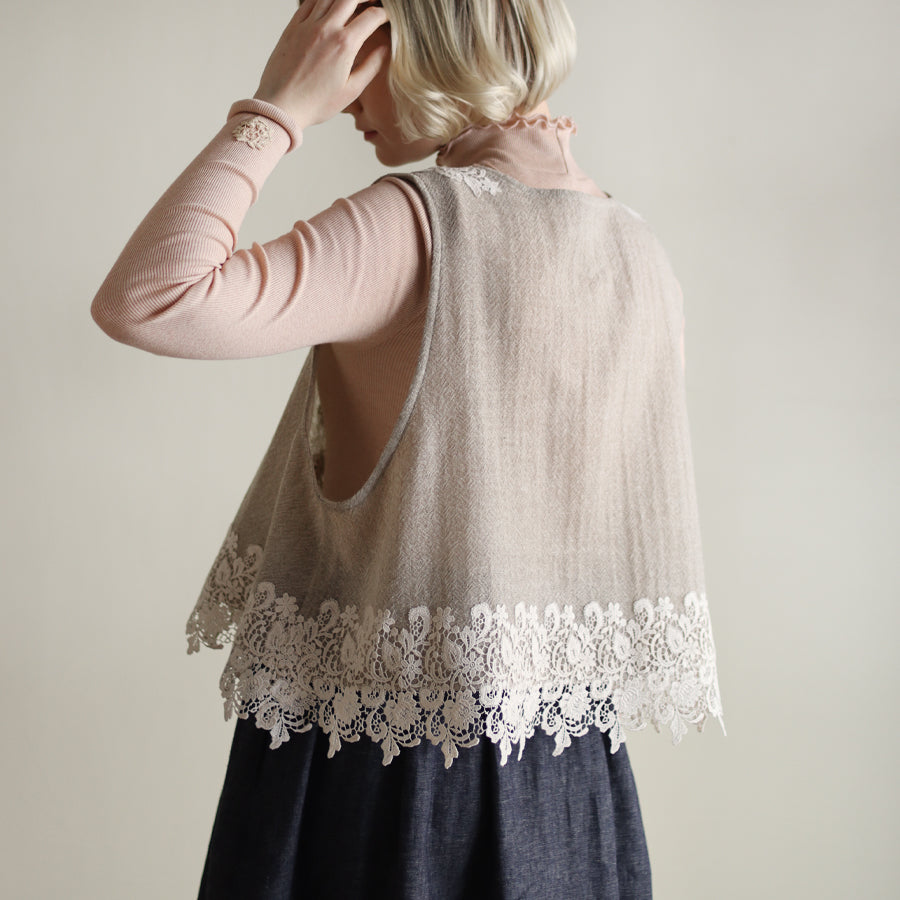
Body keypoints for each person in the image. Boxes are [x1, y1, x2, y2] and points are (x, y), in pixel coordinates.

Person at [92, 1, 724, 897]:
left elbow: (149, 297)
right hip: (573, 780)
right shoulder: (640, 253)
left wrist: (277, 110)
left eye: (354, 40)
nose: (346, 90)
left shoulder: (418, 227)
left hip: (385, 762)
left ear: (422, 39)